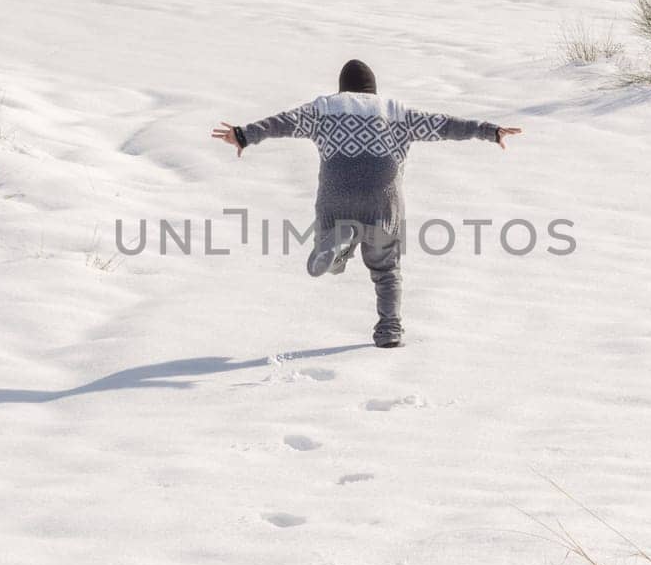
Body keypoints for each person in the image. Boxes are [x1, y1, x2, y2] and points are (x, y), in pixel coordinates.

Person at [212, 59, 521, 348]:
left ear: (341, 88)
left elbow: (283, 122)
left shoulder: (324, 109)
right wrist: (489, 131)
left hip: (338, 194)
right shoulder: (397, 112)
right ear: (373, 89)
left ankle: (337, 246)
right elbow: (445, 125)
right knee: (387, 270)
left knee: (329, 241)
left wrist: (243, 135)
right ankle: (389, 329)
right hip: (382, 201)